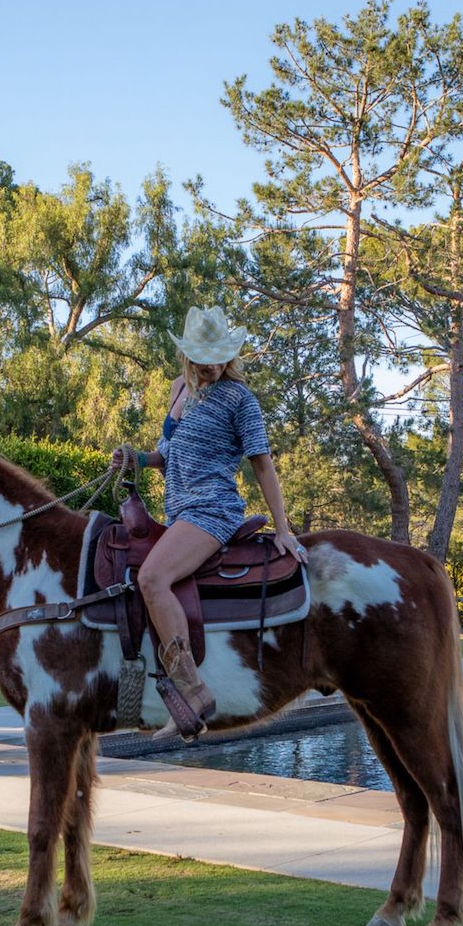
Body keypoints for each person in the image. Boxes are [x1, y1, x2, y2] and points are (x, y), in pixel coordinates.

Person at [113, 305, 301, 739]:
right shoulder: (179, 389)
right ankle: (135, 693)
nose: (212, 365)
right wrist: (136, 459)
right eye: (204, 356)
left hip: (212, 511)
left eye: (220, 356)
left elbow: (263, 466)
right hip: (177, 512)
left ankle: (192, 691)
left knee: (153, 579)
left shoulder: (240, 399)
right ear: (188, 355)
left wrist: (284, 529)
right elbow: (168, 456)